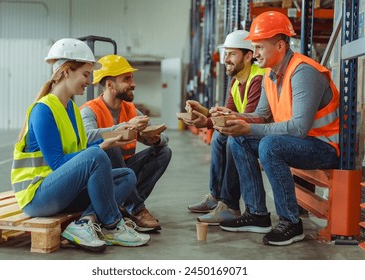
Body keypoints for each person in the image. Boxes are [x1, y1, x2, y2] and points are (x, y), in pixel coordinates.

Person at [10, 38, 151, 252]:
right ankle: (112, 225)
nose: (88, 81)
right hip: (37, 195)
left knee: (126, 176)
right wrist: (100, 148)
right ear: (67, 71)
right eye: (85, 74)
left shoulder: (72, 110)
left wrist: (111, 138)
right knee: (96, 156)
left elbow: (81, 151)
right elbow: (58, 163)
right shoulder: (43, 110)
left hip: (62, 190)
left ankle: (85, 223)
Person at [215, 11, 340, 246]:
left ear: (280, 45)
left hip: (324, 146)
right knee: (237, 140)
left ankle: (291, 222)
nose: (255, 55)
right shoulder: (270, 75)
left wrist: (247, 129)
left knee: (270, 145)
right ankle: (257, 214)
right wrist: (231, 116)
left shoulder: (303, 72)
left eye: (260, 48)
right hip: (298, 143)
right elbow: (260, 116)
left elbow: (299, 128)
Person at [80, 54, 172, 232]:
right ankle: (136, 208)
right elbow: (86, 137)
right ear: (109, 85)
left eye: (132, 78)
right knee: (111, 145)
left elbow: (164, 136)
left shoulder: (131, 109)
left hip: (126, 170)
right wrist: (125, 128)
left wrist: (154, 138)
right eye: (127, 79)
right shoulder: (89, 111)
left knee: (164, 151)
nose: (133, 84)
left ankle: (127, 206)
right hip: (99, 175)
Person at [184, 30, 264, 225]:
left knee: (231, 138)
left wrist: (211, 120)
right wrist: (204, 115)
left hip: (263, 131)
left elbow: (249, 119)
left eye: (232, 54)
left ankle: (230, 205)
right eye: (225, 54)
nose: (226, 59)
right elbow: (227, 115)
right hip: (249, 128)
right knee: (220, 136)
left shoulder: (258, 78)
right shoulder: (236, 80)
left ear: (248, 55)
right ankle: (217, 196)